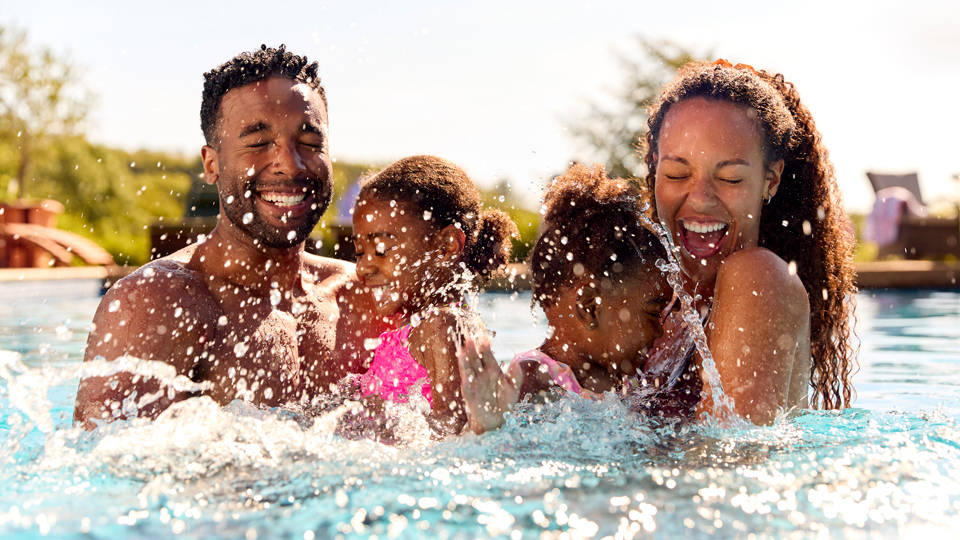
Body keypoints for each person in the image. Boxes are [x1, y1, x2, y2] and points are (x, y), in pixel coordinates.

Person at [73, 45, 383, 429]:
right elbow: (106, 473)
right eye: (257, 142)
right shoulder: (158, 303)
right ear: (212, 163)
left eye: (309, 142)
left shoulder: (364, 295)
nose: (290, 162)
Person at [637, 59, 857, 424]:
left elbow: (728, 460)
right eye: (677, 174)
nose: (701, 198)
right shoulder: (660, 301)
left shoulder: (759, 277)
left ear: (771, 180)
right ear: (655, 167)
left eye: (731, 178)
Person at [459, 164, 672, 434]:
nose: (661, 330)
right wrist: (488, 427)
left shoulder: (623, 380)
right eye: (653, 313)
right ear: (590, 307)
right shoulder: (533, 377)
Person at [350, 155, 518, 436]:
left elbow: (451, 430)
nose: (362, 266)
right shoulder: (427, 324)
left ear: (446, 246)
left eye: (381, 249)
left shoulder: (443, 325)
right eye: (358, 252)